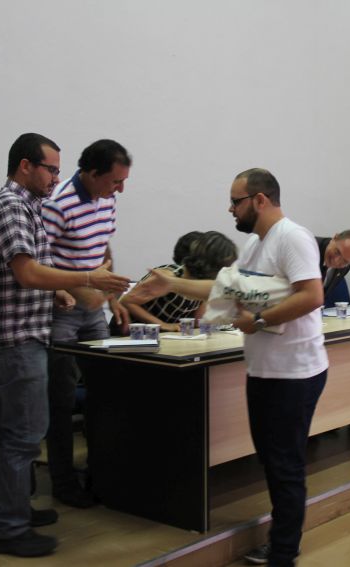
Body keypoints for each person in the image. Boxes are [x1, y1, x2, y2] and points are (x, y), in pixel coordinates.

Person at [129, 168, 327, 567]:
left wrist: (260, 320)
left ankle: (283, 553)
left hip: (294, 372)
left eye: (236, 201)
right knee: (273, 460)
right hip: (264, 370)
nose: (230, 209)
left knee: (285, 465)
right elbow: (224, 288)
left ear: (259, 200)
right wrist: (172, 284)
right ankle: (281, 541)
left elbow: (312, 295)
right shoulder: (255, 244)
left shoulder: (293, 238)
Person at [0, 133, 130, 557]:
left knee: (8, 432)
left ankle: (11, 510)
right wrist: (87, 279)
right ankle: (9, 529)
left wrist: (56, 292)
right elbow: (27, 273)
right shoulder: (11, 207)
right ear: (25, 166)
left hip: (23, 330)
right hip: (14, 337)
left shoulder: (30, 206)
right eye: (51, 170)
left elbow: (36, 272)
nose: (57, 178)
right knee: (24, 434)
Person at [40, 139, 132, 508]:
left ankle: (101, 474)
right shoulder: (57, 203)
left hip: (94, 311)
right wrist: (72, 290)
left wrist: (112, 296)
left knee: (105, 393)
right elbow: (37, 262)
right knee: (61, 400)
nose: (120, 189)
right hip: (61, 310)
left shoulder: (106, 198)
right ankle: (64, 483)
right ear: (92, 174)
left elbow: (103, 249)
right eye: (115, 181)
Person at [119, 231, 238, 331]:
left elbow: (199, 320)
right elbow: (126, 301)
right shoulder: (168, 275)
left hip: (163, 338)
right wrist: (163, 325)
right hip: (129, 337)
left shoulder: (200, 284)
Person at [315, 230, 350, 301]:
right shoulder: (310, 248)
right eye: (338, 252)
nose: (336, 261)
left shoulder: (346, 267)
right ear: (335, 238)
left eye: (345, 261)